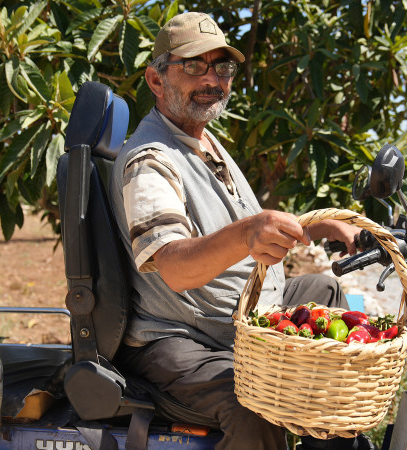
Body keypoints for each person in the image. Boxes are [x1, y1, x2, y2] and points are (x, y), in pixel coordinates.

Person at [108, 12, 373, 450]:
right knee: (254, 403)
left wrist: (315, 224)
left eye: (222, 67)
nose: (212, 78)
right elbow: (173, 266)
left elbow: (231, 221)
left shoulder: (202, 139)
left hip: (243, 313)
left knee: (324, 294)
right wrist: (248, 232)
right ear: (156, 80)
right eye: (194, 65)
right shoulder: (151, 158)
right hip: (183, 335)